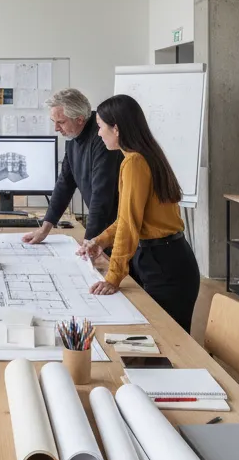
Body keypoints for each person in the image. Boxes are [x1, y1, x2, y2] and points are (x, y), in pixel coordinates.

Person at [77, 94, 200, 333]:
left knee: (167, 342)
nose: (99, 133)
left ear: (117, 129)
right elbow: (126, 218)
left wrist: (113, 277)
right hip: (167, 258)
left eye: (101, 127)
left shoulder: (134, 163)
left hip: (164, 264)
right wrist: (99, 242)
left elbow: (129, 225)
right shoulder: (144, 156)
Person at [23, 88, 121, 245]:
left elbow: (101, 196)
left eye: (61, 122)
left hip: (117, 230)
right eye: (53, 122)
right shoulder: (73, 138)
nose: (56, 128)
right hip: (103, 229)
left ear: (80, 119)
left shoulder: (103, 137)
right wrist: (45, 228)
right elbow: (65, 184)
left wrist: (89, 243)